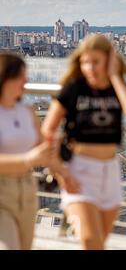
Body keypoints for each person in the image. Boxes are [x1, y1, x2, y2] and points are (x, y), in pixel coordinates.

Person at [42, 34, 126, 250]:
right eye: (85, 62)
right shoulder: (73, 89)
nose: (90, 68)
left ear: (109, 60)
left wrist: (115, 76)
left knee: (99, 243)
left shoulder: (118, 89)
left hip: (110, 172)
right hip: (79, 171)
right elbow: (47, 132)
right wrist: (61, 172)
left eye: (95, 62)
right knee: (90, 241)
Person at [0, 53, 74, 250]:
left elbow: (44, 151)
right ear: (5, 79)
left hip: (26, 189)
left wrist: (65, 176)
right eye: (21, 77)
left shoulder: (27, 111)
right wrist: (27, 159)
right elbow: (32, 157)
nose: (26, 81)